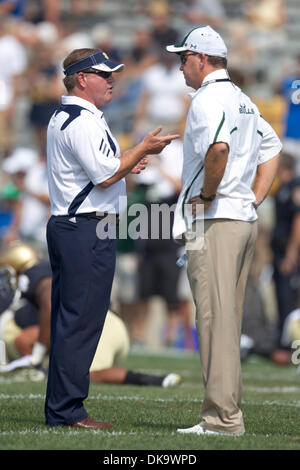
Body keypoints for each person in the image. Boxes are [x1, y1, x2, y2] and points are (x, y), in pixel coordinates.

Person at [45, 47, 179, 429]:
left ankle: (62, 408)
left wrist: (128, 161)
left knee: (72, 320)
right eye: (104, 74)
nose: (112, 80)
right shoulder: (82, 120)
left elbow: (100, 172)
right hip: (85, 228)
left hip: (75, 226)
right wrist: (144, 148)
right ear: (82, 79)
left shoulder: (70, 115)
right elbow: (104, 176)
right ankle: (68, 411)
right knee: (82, 322)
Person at [165, 25, 282, 436]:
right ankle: (225, 413)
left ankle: (221, 419)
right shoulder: (242, 99)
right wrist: (253, 198)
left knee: (214, 321)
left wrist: (210, 195)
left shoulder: (209, 98)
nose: (180, 67)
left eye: (183, 58)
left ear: (201, 58)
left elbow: (218, 149)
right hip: (240, 219)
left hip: (216, 221)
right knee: (224, 321)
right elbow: (272, 148)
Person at [0, 253, 182, 388]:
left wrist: (37, 357)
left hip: (99, 324)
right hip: (102, 322)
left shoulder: (36, 274)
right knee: (66, 370)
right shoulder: (35, 295)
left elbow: (46, 305)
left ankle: (153, 380)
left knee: (79, 376)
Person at [271, 153, 300, 346]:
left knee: (289, 300)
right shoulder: (281, 189)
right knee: (281, 299)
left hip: (290, 255)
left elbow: (298, 221)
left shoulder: (294, 188)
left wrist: (291, 255)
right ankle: (284, 342)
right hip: (279, 253)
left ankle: (292, 346)